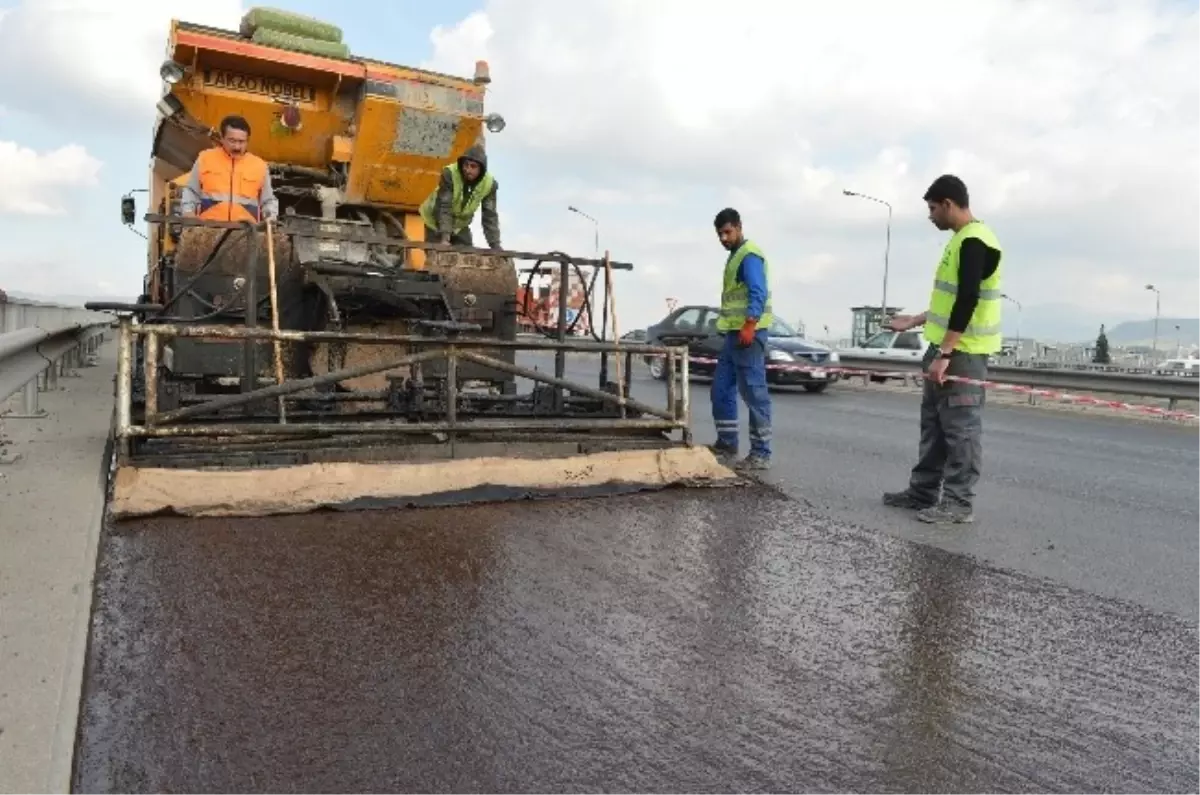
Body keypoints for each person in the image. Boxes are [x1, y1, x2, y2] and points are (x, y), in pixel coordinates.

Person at [882, 174, 1003, 524]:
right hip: (944, 349)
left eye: (933, 209)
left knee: (961, 430)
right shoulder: (960, 240)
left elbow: (968, 299)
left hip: (962, 355)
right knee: (933, 426)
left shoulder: (976, 241)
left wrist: (946, 354)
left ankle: (958, 503)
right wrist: (917, 320)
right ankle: (922, 492)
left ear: (949, 204)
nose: (931, 216)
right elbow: (951, 302)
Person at [708, 207, 773, 471]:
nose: (723, 238)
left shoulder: (749, 255)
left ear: (739, 227)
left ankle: (761, 452)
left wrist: (750, 323)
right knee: (721, 390)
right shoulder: (735, 256)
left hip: (749, 334)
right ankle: (727, 442)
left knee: (754, 393)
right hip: (733, 335)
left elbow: (758, 291)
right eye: (720, 234)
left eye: (727, 232)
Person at [179, 114, 278, 223]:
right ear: (222, 138)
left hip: (246, 233)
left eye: (241, 142)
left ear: (247, 140)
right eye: (232, 141)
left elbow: (268, 200)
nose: (237, 147)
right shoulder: (205, 158)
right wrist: (188, 212)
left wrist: (270, 218)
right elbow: (191, 191)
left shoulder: (260, 166)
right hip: (209, 230)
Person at [418, 143, 502, 249]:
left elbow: (490, 216)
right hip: (436, 219)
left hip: (459, 225)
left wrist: (495, 245)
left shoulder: (490, 185)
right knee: (438, 256)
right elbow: (444, 206)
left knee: (468, 256)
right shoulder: (450, 173)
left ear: (481, 169)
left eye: (473, 166)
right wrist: (445, 238)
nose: (468, 170)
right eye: (466, 165)